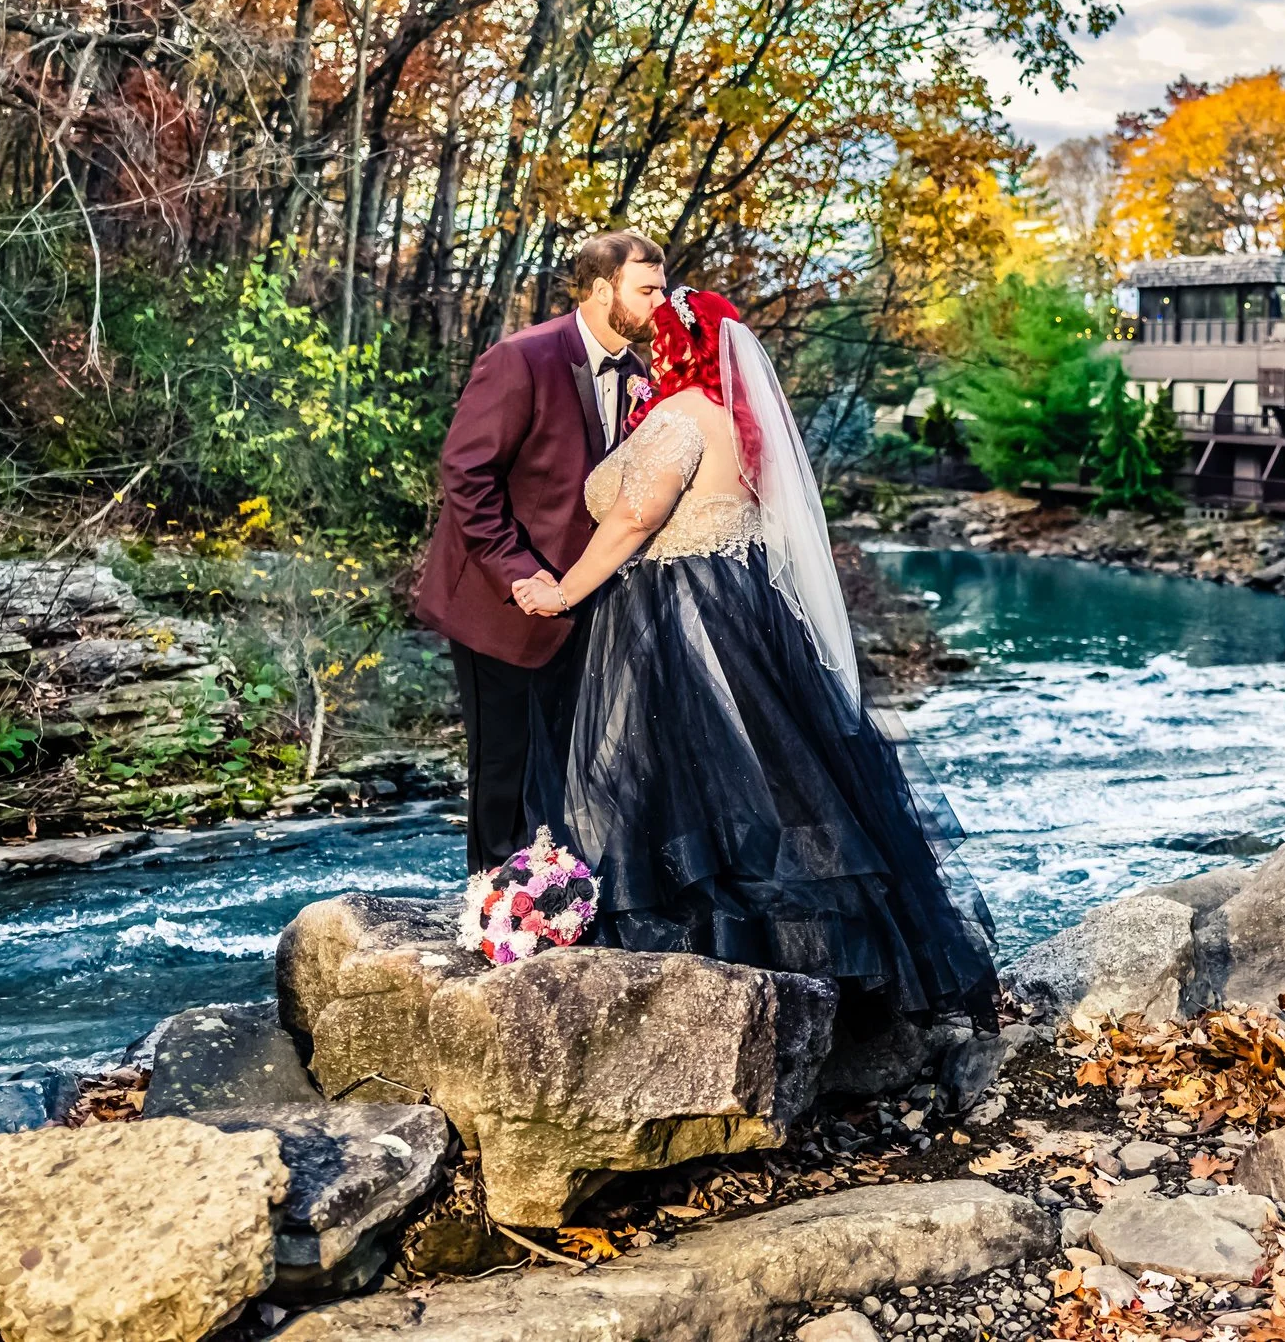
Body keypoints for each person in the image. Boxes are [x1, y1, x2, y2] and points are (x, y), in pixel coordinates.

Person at [511, 286, 998, 1030]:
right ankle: (824, 963)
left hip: (674, 615)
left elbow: (636, 519)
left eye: (664, 339)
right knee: (767, 778)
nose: (655, 350)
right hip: (741, 607)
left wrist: (565, 591)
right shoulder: (738, 423)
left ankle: (704, 961)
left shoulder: (681, 420)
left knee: (673, 779)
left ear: (684, 345)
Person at [414, 233, 667, 872]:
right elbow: (466, 474)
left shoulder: (640, 376)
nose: (660, 304)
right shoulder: (521, 359)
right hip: (499, 602)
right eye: (648, 290)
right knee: (503, 763)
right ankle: (496, 912)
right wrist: (520, 573)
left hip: (583, 602)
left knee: (562, 760)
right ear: (602, 289)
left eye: (662, 289)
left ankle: (553, 896)